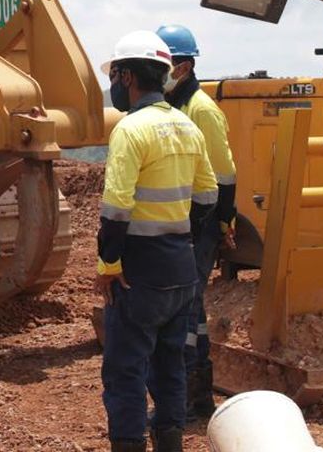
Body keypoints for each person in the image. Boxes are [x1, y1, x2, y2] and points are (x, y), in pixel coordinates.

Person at [97, 30, 218, 452]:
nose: (113, 84)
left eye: (115, 74)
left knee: (125, 370)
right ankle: (170, 443)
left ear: (128, 76)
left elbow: (115, 209)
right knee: (170, 367)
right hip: (180, 267)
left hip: (139, 272)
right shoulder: (186, 126)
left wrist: (108, 266)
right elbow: (208, 197)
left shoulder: (131, 130)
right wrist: (182, 239)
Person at [155, 24, 238, 419]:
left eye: (164, 64)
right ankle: (198, 397)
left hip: (198, 224)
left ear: (183, 67)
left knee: (182, 313)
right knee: (191, 311)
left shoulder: (201, 110)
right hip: (186, 223)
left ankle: (187, 399)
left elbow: (224, 175)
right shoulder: (176, 107)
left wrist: (219, 226)